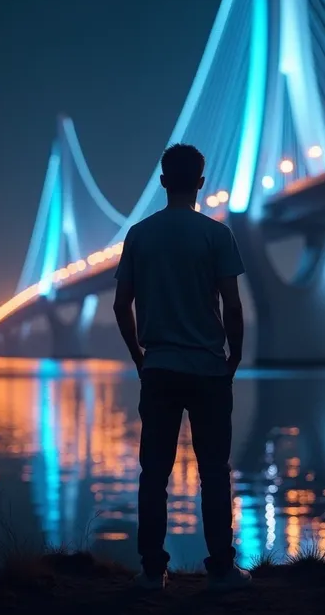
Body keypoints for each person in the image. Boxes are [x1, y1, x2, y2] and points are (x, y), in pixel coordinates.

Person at [113, 144, 251, 591]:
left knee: (154, 473)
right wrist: (235, 354)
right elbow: (232, 304)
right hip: (209, 370)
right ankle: (223, 571)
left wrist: (139, 356)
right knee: (214, 473)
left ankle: (152, 571)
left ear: (161, 181)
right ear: (201, 182)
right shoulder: (217, 235)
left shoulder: (138, 235)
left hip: (159, 370)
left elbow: (121, 305)